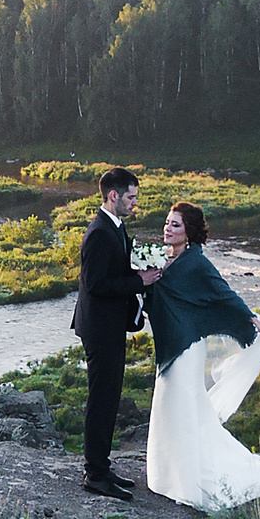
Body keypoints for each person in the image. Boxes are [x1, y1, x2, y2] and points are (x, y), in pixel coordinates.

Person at [141, 199, 260, 510]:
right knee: (172, 410)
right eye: (167, 223)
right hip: (170, 346)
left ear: (190, 232)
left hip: (188, 349)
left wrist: (255, 320)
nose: (167, 228)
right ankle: (167, 476)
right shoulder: (161, 260)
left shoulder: (196, 263)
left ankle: (188, 481)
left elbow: (223, 294)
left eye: (175, 225)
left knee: (182, 410)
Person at [68, 167, 157, 499]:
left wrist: (137, 271)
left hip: (107, 326)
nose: (135, 203)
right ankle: (95, 474)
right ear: (113, 196)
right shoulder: (100, 233)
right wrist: (139, 282)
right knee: (101, 400)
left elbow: (111, 272)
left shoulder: (115, 227)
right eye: (131, 197)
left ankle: (102, 467)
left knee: (109, 398)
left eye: (136, 197)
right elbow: (94, 284)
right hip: (99, 329)